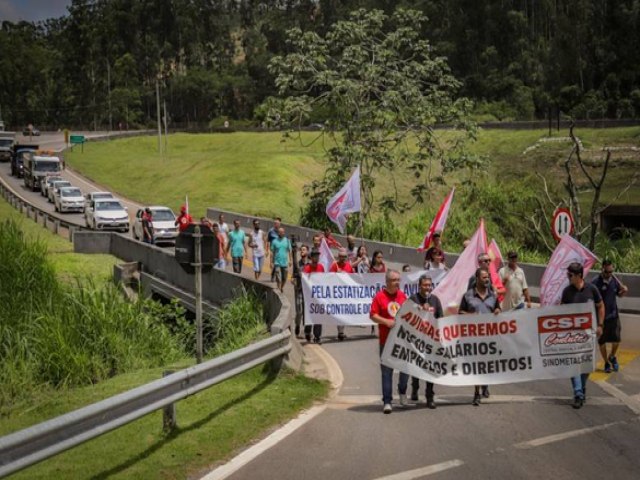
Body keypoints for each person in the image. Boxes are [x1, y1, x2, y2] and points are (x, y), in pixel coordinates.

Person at [561, 262, 605, 409]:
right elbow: (560, 311)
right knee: (574, 364)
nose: (568, 277)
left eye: (570, 275)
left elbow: (601, 306)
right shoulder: (567, 292)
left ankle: (582, 385)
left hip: (589, 335)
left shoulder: (592, 289)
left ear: (579, 275)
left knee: (586, 365)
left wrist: (600, 325)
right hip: (572, 336)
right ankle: (578, 393)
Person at [459, 267, 501, 406]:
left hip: (489, 337)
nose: (487, 279)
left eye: (488, 277)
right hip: (473, 338)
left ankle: (485, 384)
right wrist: (471, 316)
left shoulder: (493, 296)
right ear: (477, 279)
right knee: (476, 365)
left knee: (487, 364)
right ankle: (476, 393)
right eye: (484, 277)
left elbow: (498, 309)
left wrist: (497, 310)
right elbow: (460, 313)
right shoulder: (468, 296)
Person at [370, 269, 409, 414]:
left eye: (398, 280)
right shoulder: (379, 297)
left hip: (402, 341)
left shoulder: (403, 296)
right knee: (386, 372)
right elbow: (372, 315)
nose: (397, 283)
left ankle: (403, 391)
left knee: (405, 369)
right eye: (394, 280)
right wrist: (385, 321)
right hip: (386, 342)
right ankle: (387, 401)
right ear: (387, 282)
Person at [409, 274, 443, 409]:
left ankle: (429, 396)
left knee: (430, 368)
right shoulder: (413, 299)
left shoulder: (435, 300)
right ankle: (415, 387)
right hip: (417, 340)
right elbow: (407, 316)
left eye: (429, 285)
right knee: (417, 367)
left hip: (431, 340)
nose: (427, 287)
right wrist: (419, 310)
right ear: (420, 286)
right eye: (425, 285)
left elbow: (440, 317)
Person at [592, 260, 628, 373]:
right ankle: (606, 363)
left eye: (611, 271)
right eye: (607, 272)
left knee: (616, 340)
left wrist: (624, 291)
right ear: (602, 269)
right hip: (601, 318)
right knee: (602, 342)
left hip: (613, 315)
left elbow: (619, 294)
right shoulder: (595, 282)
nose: (609, 274)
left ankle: (612, 356)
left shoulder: (614, 280)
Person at [330, 248, 353, 341]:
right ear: (338, 257)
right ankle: (340, 331)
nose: (343, 258)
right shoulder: (334, 266)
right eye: (341, 257)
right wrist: (336, 274)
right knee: (339, 312)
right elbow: (328, 277)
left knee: (344, 312)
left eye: (344, 257)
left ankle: (341, 331)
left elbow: (353, 278)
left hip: (346, 293)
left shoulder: (349, 266)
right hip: (337, 293)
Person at [304, 248, 325, 343]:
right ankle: (308, 332)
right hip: (309, 297)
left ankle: (317, 336)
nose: (316, 257)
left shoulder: (321, 267)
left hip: (319, 296)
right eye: (315, 256)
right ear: (311, 257)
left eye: (318, 256)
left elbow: (325, 279)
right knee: (310, 315)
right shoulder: (307, 268)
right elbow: (305, 281)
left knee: (318, 316)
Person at [292, 244, 309, 337]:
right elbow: (293, 276)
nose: (302, 251)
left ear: (307, 251)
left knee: (306, 311)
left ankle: (306, 330)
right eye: (301, 250)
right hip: (298, 290)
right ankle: (297, 324)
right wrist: (293, 281)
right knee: (299, 312)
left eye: (304, 249)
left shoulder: (310, 265)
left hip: (307, 292)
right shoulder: (297, 264)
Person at [270, 227, 292, 293]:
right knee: (278, 277)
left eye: (282, 232)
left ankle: (281, 287)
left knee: (284, 278)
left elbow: (289, 251)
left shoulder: (287, 241)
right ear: (278, 233)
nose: (281, 233)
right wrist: (271, 262)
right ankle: (279, 290)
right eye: (280, 232)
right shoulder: (274, 241)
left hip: (284, 263)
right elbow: (272, 252)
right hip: (277, 262)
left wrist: (290, 260)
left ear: (284, 232)